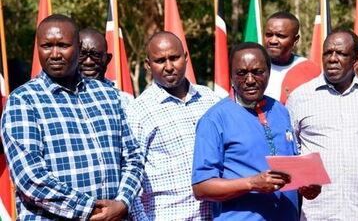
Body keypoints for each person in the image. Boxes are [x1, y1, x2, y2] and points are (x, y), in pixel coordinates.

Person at [0, 14, 144, 220]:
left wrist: (122, 202)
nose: (55, 54)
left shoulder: (107, 95)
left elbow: (133, 158)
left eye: (63, 45)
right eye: (47, 46)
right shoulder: (23, 101)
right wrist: (91, 210)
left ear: (78, 46)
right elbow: (31, 178)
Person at [191, 42, 321, 220]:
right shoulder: (214, 120)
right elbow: (201, 187)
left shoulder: (280, 110)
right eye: (242, 73)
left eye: (258, 72)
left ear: (268, 73)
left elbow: (291, 170)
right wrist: (252, 183)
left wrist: (307, 186)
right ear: (231, 76)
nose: (250, 80)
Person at [286, 29, 358, 220]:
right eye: (328, 53)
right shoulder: (299, 97)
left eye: (341, 54)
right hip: (319, 212)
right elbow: (293, 150)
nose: (333, 59)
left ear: (355, 59)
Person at [126, 31, 220, 220]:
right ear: (148, 65)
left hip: (216, 215)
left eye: (174, 58)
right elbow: (131, 173)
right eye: (160, 61)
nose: (169, 67)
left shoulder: (211, 99)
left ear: (185, 58)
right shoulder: (138, 111)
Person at [263, 11, 321, 104]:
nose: (273, 40)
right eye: (269, 35)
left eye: (280, 36)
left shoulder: (310, 70)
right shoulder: (251, 68)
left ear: (295, 40)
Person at [78, 28, 134, 108]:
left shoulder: (124, 101)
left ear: (108, 59)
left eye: (96, 55)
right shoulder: (58, 97)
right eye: (81, 54)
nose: (88, 62)